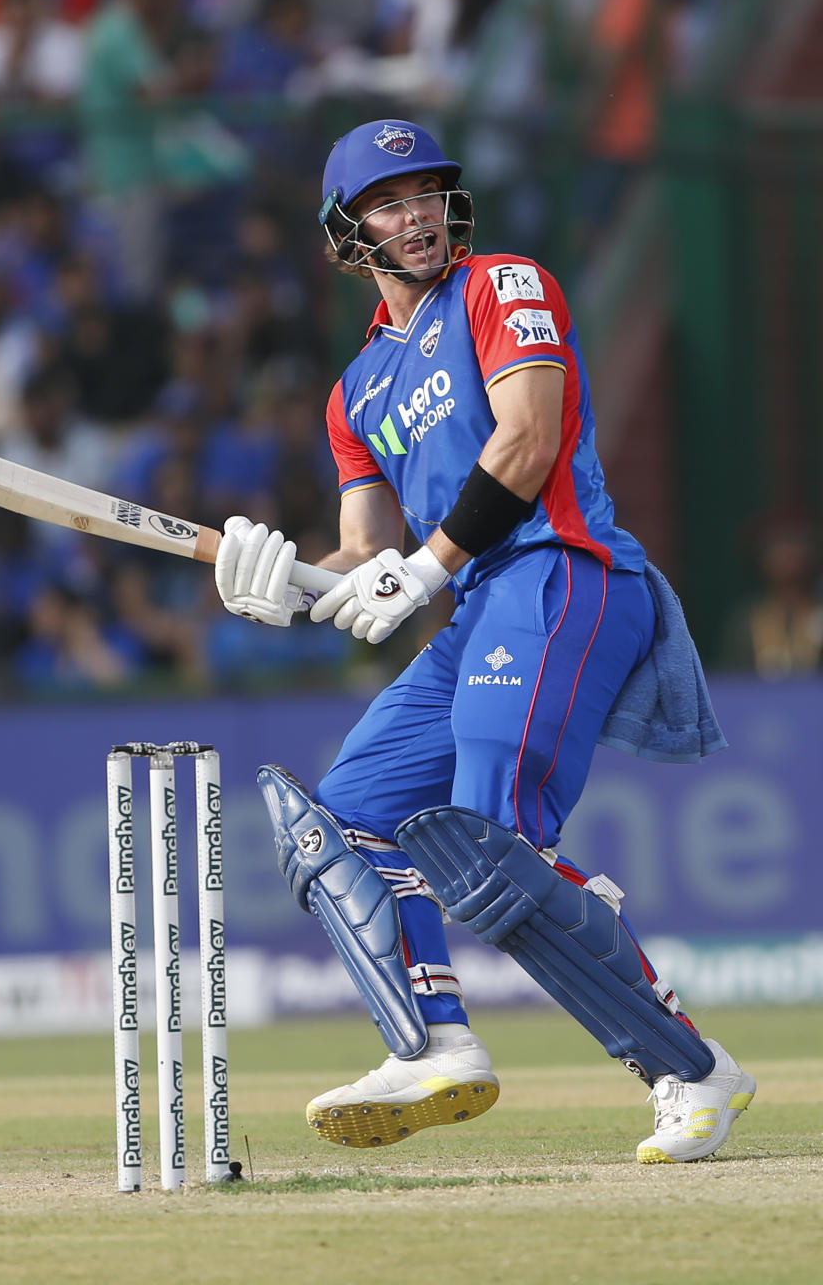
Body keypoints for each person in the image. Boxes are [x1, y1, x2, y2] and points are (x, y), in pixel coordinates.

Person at [214, 118, 756, 1166]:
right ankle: (432, 1046)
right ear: (346, 231)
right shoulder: (353, 391)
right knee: (342, 819)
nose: (414, 213)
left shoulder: (502, 284)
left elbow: (529, 438)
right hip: (477, 604)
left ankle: (691, 1073)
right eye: (387, 199)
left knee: (486, 845)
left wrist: (425, 568)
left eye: (426, 191)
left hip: (564, 573)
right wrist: (280, 587)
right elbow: (364, 554)